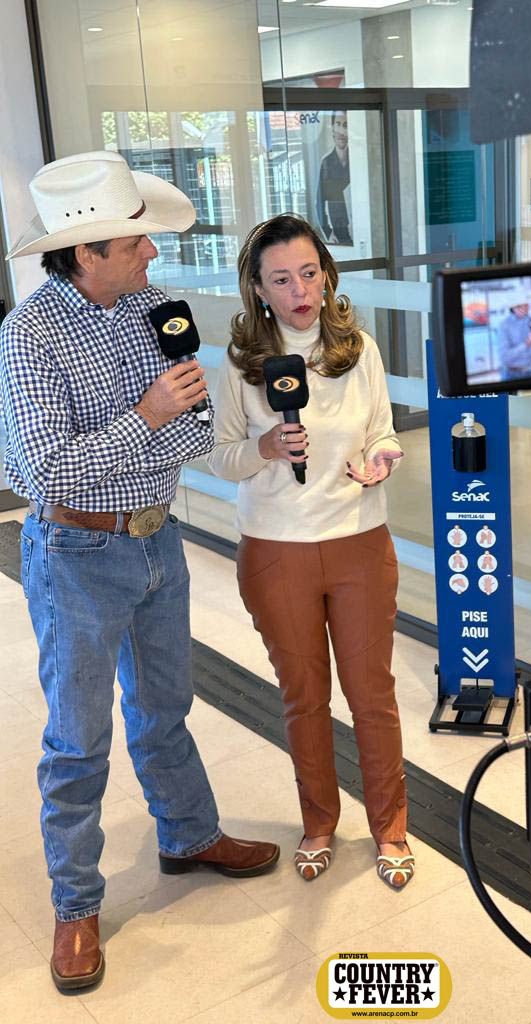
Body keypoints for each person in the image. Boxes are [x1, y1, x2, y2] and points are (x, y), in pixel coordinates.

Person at [0, 151, 280, 993]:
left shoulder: (157, 309)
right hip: (76, 554)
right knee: (77, 738)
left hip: (159, 540)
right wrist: (145, 415)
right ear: (85, 253)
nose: (153, 253)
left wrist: (173, 424)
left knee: (165, 707)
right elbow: (48, 473)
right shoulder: (28, 335)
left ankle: (188, 835)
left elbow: (193, 431)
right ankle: (76, 904)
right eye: (135, 243)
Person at [208, 213, 414, 890]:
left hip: (360, 544)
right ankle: (319, 824)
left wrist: (383, 458)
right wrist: (266, 447)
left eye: (308, 273)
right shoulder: (242, 366)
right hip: (276, 552)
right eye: (281, 279)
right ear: (258, 289)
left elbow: (383, 431)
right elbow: (221, 457)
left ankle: (391, 828)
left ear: (326, 274)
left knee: (373, 696)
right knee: (304, 699)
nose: (299, 291)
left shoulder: (359, 349)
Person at [316, 111, 352, 245]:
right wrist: (328, 232)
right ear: (332, 130)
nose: (341, 131)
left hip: (359, 231)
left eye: (345, 125)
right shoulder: (326, 163)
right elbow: (319, 202)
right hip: (337, 235)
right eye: (338, 124)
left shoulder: (357, 161)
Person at [496, 285, 531, 380]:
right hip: (510, 374)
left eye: (526, 305)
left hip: (529, 371)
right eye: (520, 306)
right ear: (513, 307)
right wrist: (526, 344)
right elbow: (504, 357)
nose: (524, 308)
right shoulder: (504, 325)